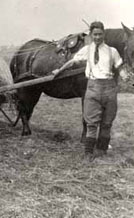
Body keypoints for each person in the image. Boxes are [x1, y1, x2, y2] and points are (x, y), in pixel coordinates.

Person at [52, 21, 128, 162]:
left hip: (109, 89)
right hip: (93, 87)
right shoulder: (87, 50)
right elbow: (73, 62)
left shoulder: (112, 51)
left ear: (104, 34)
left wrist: (126, 76)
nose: (98, 37)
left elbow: (120, 67)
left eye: (100, 34)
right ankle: (88, 154)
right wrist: (59, 70)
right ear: (91, 35)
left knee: (107, 123)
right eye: (95, 34)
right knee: (91, 123)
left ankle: (102, 151)